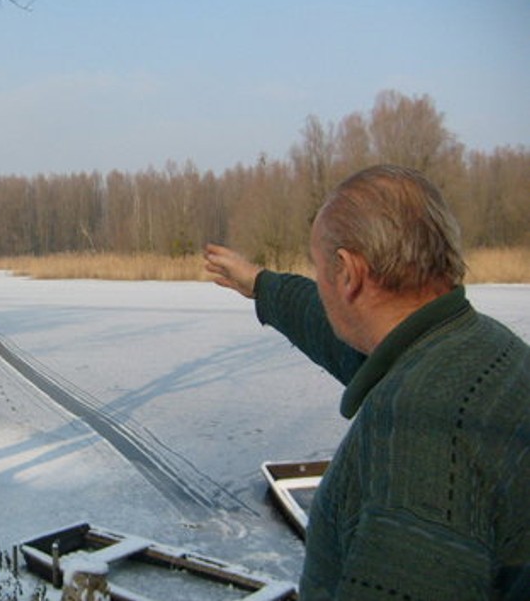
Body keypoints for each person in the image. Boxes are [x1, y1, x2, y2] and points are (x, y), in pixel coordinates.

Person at [204, 164, 530, 601]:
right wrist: (262, 286)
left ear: (349, 273)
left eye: (321, 272)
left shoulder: (418, 434)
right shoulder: (476, 345)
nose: (320, 287)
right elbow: (344, 338)